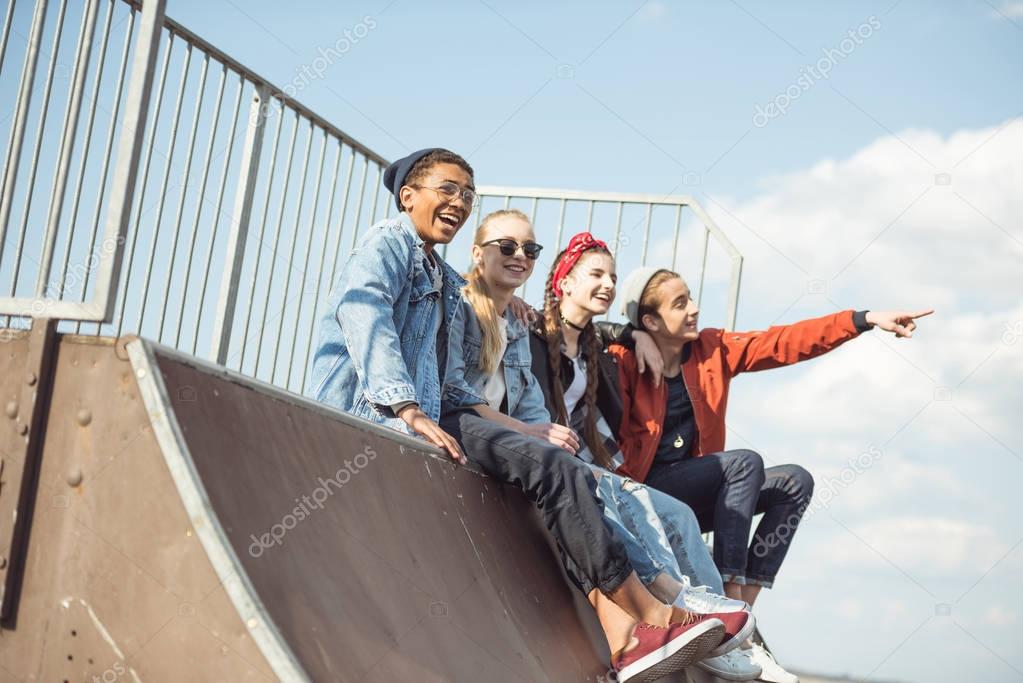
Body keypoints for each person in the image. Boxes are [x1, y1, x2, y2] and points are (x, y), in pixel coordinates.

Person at [309, 148, 729, 682]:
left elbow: (454, 379)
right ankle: (650, 614)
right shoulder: (387, 244)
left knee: (573, 476)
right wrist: (406, 405)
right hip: (368, 411)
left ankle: (634, 630)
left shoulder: (442, 283)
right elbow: (363, 309)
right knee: (554, 469)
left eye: (467, 193)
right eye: (447, 189)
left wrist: (627, 333)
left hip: (441, 414)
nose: (458, 202)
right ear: (407, 196)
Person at [612, 266, 932, 683]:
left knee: (793, 480)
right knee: (743, 462)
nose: (694, 309)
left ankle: (744, 606)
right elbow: (582, 336)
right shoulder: (624, 359)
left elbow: (782, 342)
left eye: (690, 297)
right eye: (680, 304)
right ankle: (728, 603)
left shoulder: (712, 349)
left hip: (697, 493)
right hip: (648, 495)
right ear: (650, 321)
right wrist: (625, 335)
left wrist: (863, 320)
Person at [526, 231, 760, 681]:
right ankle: (677, 608)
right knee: (640, 510)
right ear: (564, 282)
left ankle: (720, 633)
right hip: (552, 464)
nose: (608, 284)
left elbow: (609, 337)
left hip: (589, 464)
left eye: (612, 276)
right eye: (595, 274)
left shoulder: (597, 349)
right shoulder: (532, 330)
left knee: (680, 515)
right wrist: (636, 334)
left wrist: (634, 334)